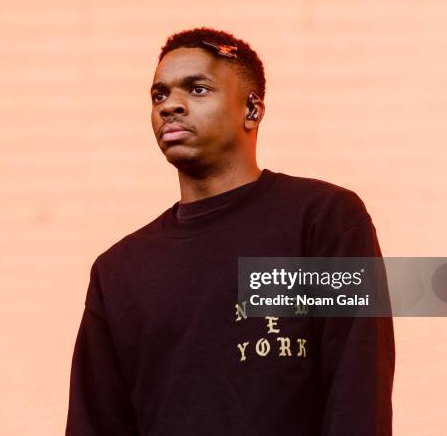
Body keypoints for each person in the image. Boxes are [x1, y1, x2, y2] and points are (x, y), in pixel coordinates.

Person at [65, 27, 395, 435]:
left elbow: (359, 395)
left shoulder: (323, 220)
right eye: (159, 95)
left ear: (252, 110)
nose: (171, 106)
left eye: (197, 89)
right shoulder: (117, 271)